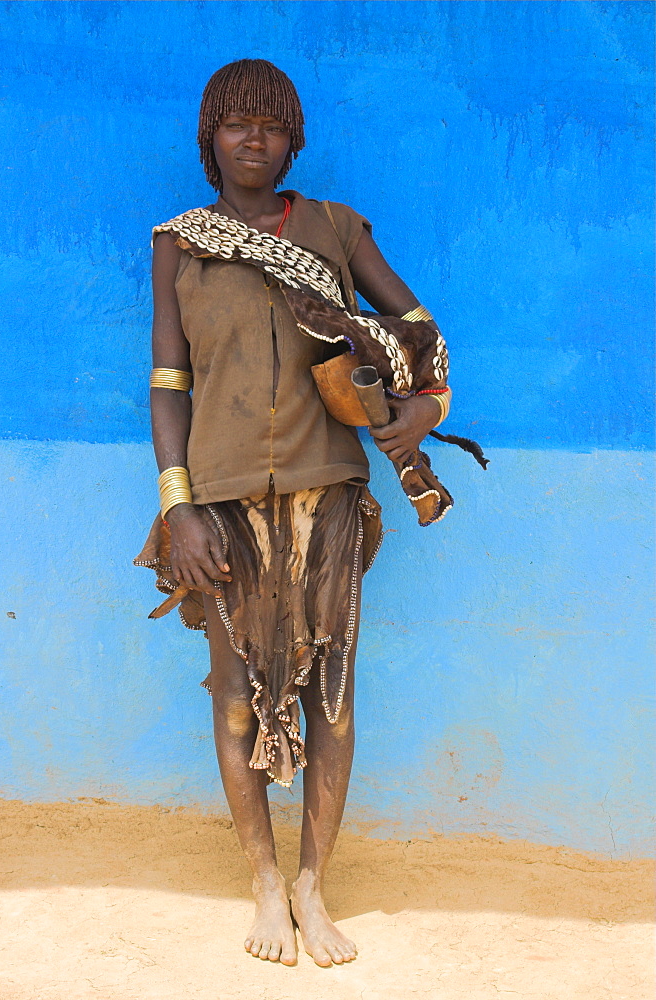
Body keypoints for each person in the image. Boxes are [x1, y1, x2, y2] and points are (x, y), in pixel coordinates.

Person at [135, 58, 453, 968]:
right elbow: (168, 386)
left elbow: (424, 333)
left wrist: (423, 412)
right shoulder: (179, 243)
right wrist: (178, 507)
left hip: (331, 498)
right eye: (235, 124)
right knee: (236, 703)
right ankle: (265, 887)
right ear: (211, 139)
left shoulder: (335, 230)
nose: (253, 140)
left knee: (334, 698)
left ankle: (314, 888)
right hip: (222, 505)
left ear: (292, 140)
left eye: (271, 126)